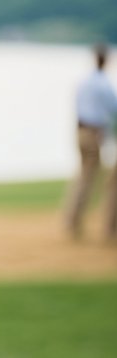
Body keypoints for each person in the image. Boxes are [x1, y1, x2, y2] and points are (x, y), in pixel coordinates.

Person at [65, 44, 117, 238]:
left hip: (79, 130)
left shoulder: (84, 82)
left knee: (85, 175)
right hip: (93, 133)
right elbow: (114, 107)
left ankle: (73, 220)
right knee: (91, 177)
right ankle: (105, 227)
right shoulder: (103, 83)